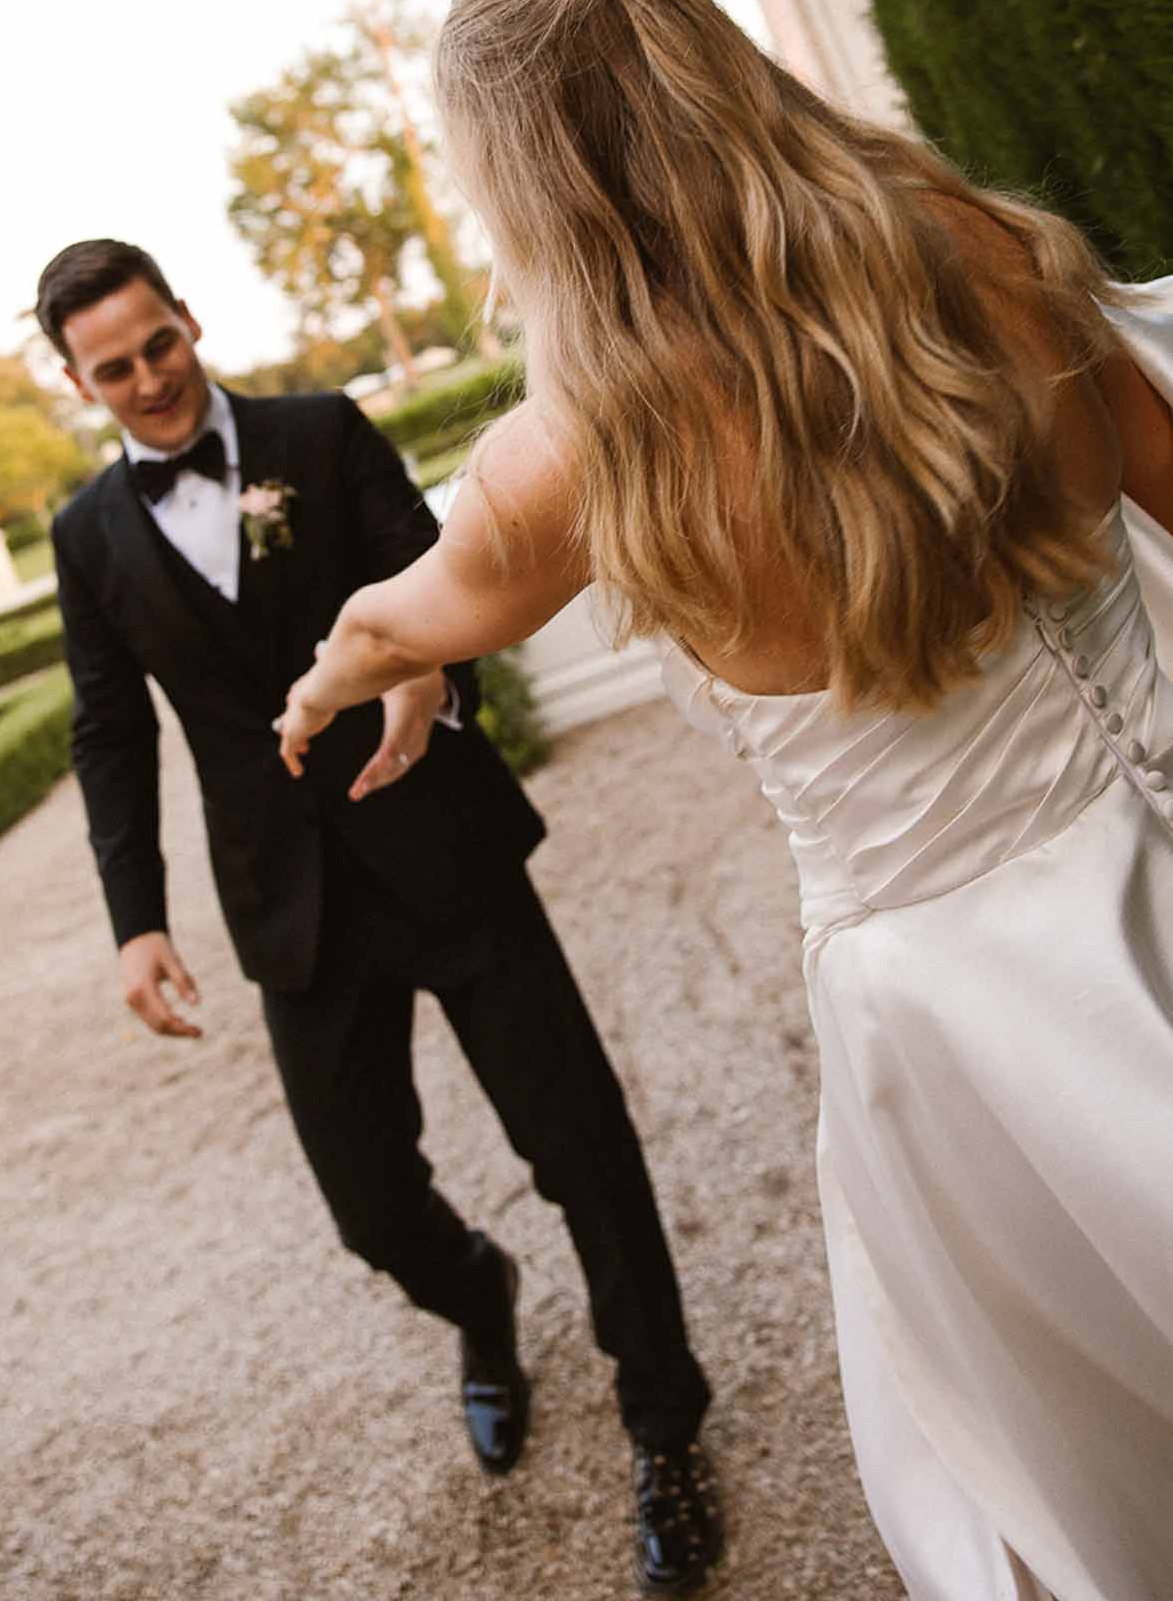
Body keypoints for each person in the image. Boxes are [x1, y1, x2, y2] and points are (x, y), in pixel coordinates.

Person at [278, 0, 1173, 1601]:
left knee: (1088, 1464)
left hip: (959, 1027)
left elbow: (403, 618)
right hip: (1159, 845)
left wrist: (346, 678)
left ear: (519, 183)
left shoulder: (570, 465)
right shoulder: (968, 248)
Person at [36, 239, 719, 1597]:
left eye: (158, 344)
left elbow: (441, 580)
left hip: (441, 845)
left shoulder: (320, 429)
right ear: (77, 381)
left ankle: (665, 1426)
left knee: (579, 1142)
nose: (148, 381)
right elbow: (110, 735)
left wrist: (426, 683)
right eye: (112, 369)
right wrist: (136, 920)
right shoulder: (86, 536)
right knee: (368, 1208)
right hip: (288, 910)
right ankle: (481, 1299)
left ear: (188, 320)